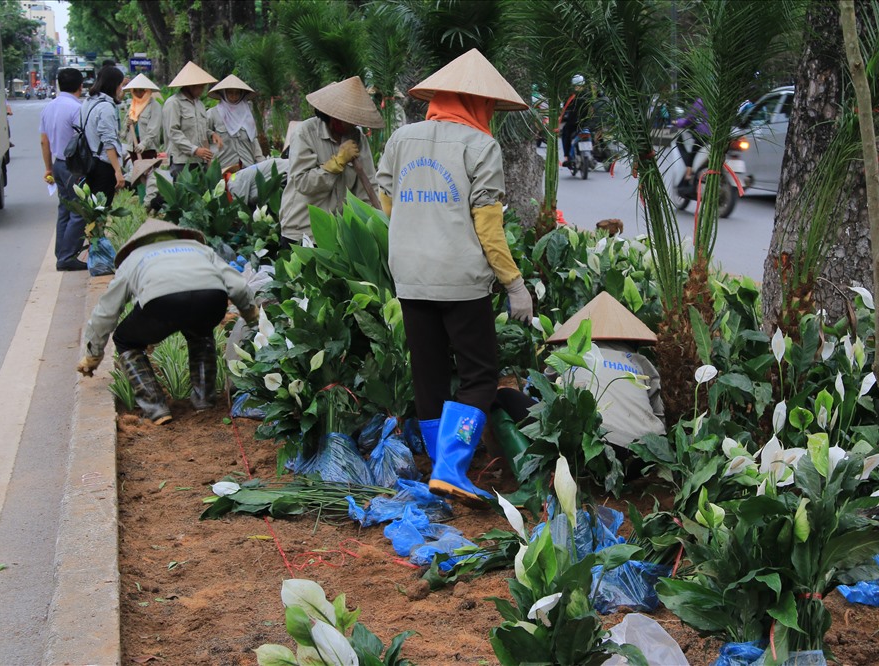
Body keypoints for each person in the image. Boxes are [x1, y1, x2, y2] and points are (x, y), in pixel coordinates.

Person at [376, 48, 533, 507]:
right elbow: (488, 225)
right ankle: (451, 467)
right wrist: (514, 284)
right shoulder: (480, 146)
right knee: (480, 375)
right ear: (479, 103)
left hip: (410, 274)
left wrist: (417, 225)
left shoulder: (401, 138)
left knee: (427, 372)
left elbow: (388, 198)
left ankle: (436, 465)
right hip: (460, 279)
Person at [77, 219, 259, 425]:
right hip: (211, 300)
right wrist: (252, 317)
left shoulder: (134, 258)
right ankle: (204, 399)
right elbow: (238, 285)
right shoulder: (199, 249)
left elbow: (106, 311)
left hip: (162, 304)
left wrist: (93, 354)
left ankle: (155, 407)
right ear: (177, 236)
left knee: (126, 340)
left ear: (138, 243)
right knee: (201, 331)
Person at [493, 292, 666, 459]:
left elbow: (541, 392)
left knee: (502, 395)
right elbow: (660, 417)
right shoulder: (640, 361)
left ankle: (516, 463)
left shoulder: (569, 351)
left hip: (597, 450)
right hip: (647, 455)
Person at [279, 77, 382, 246]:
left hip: (338, 233)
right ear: (332, 117)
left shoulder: (358, 138)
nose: (353, 123)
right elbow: (302, 183)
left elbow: (368, 185)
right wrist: (337, 162)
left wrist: (373, 221)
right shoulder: (305, 134)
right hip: (302, 231)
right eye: (348, 118)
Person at [39, 67, 87, 271]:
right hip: (73, 166)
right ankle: (67, 256)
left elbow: (44, 141)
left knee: (64, 209)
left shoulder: (49, 108)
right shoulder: (77, 108)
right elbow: (83, 138)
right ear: (80, 86)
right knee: (79, 210)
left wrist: (48, 168)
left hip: (58, 164)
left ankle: (61, 252)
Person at [162, 62, 219, 178]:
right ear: (190, 86)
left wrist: (211, 134)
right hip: (182, 161)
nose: (203, 90)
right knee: (184, 194)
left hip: (200, 160)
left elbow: (201, 128)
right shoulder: (174, 103)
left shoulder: (200, 105)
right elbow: (173, 132)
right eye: (200, 86)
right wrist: (194, 150)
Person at [80, 65, 126, 206]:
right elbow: (108, 142)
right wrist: (118, 170)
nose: (121, 89)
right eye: (120, 85)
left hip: (90, 161)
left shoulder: (89, 101)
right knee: (101, 210)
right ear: (114, 84)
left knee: (93, 209)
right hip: (104, 166)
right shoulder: (105, 107)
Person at [206, 75, 264, 171]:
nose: (234, 96)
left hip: (247, 166)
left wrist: (261, 162)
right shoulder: (213, 114)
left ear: (242, 94)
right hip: (223, 167)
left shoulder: (247, 114)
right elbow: (203, 135)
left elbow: (253, 140)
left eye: (237, 93)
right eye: (230, 93)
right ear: (224, 93)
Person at [122, 73, 163, 160]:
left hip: (148, 148)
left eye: (141, 90)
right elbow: (125, 129)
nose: (138, 93)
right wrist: (128, 124)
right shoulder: (133, 105)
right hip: (133, 145)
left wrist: (143, 144)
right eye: (135, 91)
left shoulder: (154, 106)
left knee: (147, 172)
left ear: (147, 91)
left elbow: (154, 129)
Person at [672, 97, 710, 182]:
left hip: (705, 134)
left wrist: (677, 122)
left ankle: (688, 173)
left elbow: (689, 119)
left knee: (693, 151)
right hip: (719, 136)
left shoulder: (702, 101)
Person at [560, 74, 593, 168]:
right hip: (586, 124)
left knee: (565, 135)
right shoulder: (588, 95)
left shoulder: (571, 96)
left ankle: (567, 156)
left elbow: (564, 109)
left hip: (573, 124)